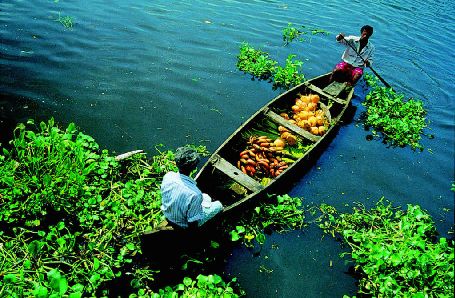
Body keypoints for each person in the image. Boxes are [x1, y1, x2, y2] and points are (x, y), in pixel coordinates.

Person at [160, 146, 223, 230]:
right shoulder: (195, 194)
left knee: (206, 197)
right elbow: (192, 222)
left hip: (168, 215)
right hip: (183, 224)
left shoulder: (168, 176)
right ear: (194, 167)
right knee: (219, 205)